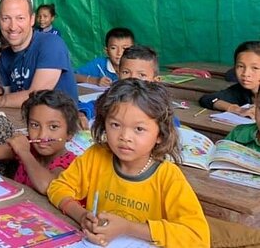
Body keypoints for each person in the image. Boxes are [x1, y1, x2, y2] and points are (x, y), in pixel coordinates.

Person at [47, 79, 209, 247]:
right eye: (115, 125)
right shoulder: (96, 156)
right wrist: (82, 216)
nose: (125, 136)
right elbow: (58, 187)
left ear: (160, 134)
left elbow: (197, 236)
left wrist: (129, 228)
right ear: (103, 125)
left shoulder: (168, 177)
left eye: (139, 129)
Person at [0, 0, 78, 108]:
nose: (13, 26)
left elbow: (36, 97)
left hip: (59, 122)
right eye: (6, 18)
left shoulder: (52, 44)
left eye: (20, 18)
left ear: (32, 19)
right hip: (25, 121)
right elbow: (6, 98)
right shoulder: (5, 56)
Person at [0, 90, 79, 194]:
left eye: (53, 127)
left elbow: (47, 186)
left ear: (70, 133)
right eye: (35, 125)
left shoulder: (72, 164)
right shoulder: (29, 145)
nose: (42, 136)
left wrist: (24, 153)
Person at [199, 41, 260, 118]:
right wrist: (235, 109)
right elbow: (208, 99)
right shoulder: (241, 90)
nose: (245, 74)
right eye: (240, 66)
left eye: (255, 68)